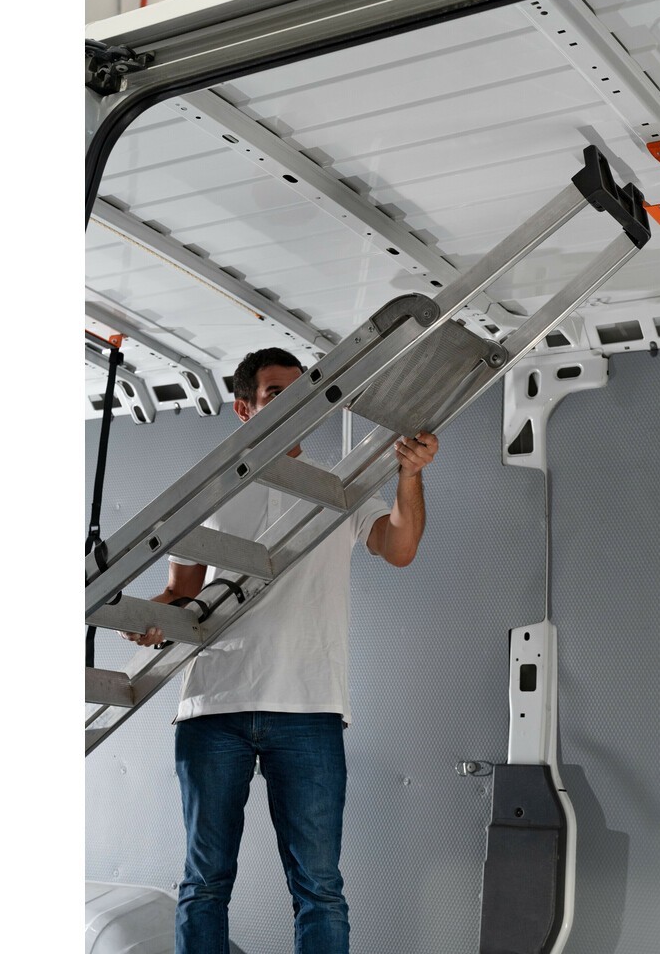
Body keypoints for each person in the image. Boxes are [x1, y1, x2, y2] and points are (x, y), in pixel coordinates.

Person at [122, 346, 439, 954]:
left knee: (319, 887)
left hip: (310, 708)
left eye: (304, 392)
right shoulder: (208, 490)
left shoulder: (338, 488)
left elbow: (399, 548)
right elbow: (180, 592)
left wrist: (410, 474)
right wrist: (147, 621)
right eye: (276, 394)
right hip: (214, 706)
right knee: (205, 883)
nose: (295, 404)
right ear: (244, 408)